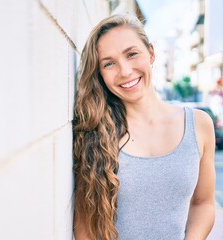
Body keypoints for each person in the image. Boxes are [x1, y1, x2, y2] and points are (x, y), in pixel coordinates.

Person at [73, 14, 216, 240]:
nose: (125, 71)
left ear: (151, 53)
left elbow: (203, 203)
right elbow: (85, 226)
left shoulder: (199, 124)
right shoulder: (95, 132)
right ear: (100, 74)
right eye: (109, 63)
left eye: (131, 54)